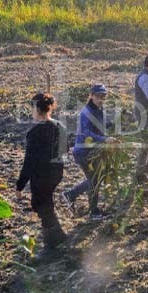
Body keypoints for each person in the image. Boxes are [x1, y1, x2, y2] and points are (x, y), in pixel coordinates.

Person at [16, 93, 68, 254]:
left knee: (41, 205)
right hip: (56, 172)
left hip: (41, 175)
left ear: (37, 109)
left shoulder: (34, 132)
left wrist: (20, 185)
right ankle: (57, 237)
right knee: (46, 203)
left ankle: (52, 243)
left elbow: (29, 162)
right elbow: (65, 149)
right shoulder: (60, 126)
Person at [63, 84, 116, 220]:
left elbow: (100, 127)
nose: (100, 99)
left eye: (103, 96)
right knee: (94, 181)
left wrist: (114, 123)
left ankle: (71, 195)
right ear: (91, 96)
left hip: (94, 150)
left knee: (95, 179)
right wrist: (104, 139)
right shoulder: (86, 112)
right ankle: (93, 211)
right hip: (83, 152)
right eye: (98, 96)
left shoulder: (99, 109)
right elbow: (87, 132)